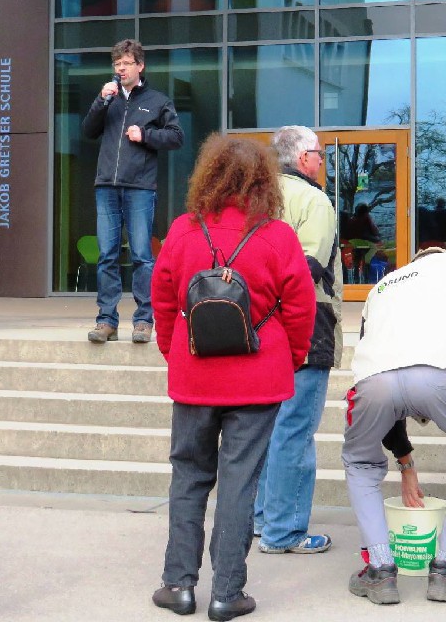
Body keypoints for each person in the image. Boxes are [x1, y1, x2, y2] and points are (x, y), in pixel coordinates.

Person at [149, 135, 315, 621]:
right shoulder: (278, 236)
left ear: (208, 176)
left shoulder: (184, 230)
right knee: (240, 483)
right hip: (258, 376)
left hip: (195, 374)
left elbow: (161, 299)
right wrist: (294, 356)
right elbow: (300, 308)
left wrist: (172, 349)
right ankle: (226, 594)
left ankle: (178, 585)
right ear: (264, 181)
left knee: (189, 476)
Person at [342, 247, 446, 606]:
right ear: (442, 253)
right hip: (440, 372)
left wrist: (405, 461)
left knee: (361, 461)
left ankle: (380, 569)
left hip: (372, 381)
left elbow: (386, 376)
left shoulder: (381, 286)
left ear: (413, 262)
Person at [254, 125, 342, 555]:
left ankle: (260, 519)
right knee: (294, 431)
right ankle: (284, 531)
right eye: (320, 154)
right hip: (305, 326)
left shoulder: (254, 198)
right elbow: (308, 270)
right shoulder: (314, 200)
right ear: (303, 157)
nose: (322, 161)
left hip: (255, 326)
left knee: (265, 429)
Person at [82, 39, 184, 344]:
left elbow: (177, 136)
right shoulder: (108, 98)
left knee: (142, 256)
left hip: (139, 186)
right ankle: (106, 320)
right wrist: (100, 101)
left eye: (126, 63)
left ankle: (143, 320)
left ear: (140, 66)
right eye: (117, 64)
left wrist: (146, 135)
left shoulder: (156, 100)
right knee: (106, 256)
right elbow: (88, 131)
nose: (121, 69)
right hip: (106, 186)